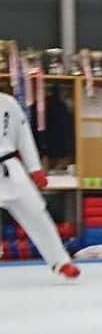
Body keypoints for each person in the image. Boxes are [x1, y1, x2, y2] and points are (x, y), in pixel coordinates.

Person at [0, 89, 79, 279]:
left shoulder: (8, 102)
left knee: (37, 212)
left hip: (10, 168)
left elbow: (24, 136)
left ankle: (60, 262)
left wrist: (35, 168)